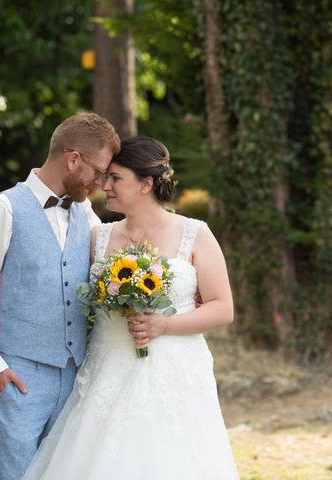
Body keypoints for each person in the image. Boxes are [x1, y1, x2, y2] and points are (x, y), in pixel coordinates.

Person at [23, 136, 239, 479]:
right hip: (106, 369)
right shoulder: (99, 237)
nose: (104, 185)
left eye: (115, 178)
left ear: (146, 184)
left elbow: (223, 307)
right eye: (105, 176)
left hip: (174, 373)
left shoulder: (195, 234)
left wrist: (164, 325)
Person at [0, 112, 120, 480]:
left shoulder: (86, 213)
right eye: (98, 172)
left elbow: (115, 265)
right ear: (72, 158)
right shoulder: (3, 208)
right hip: (19, 374)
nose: (100, 183)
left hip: (74, 373)